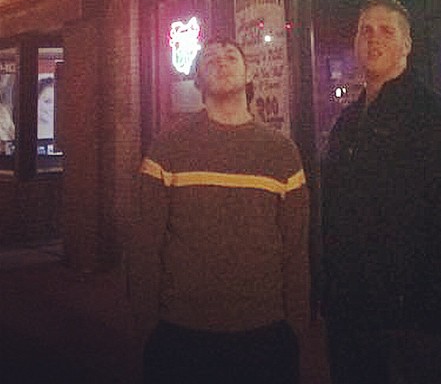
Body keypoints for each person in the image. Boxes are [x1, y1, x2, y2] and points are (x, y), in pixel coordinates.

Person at [127, 37, 310, 384]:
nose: (222, 61)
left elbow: (296, 247)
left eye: (231, 56)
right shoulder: (168, 147)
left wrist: (296, 326)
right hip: (182, 332)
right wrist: (146, 324)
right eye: (210, 58)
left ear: (249, 74)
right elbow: (144, 243)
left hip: (265, 332)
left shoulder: (281, 153)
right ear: (197, 80)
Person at [321, 0, 441, 384]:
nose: (373, 39)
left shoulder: (439, 122)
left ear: (407, 45)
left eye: (386, 31)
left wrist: (434, 311)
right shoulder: (348, 124)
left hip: (418, 325)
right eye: (365, 31)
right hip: (354, 319)